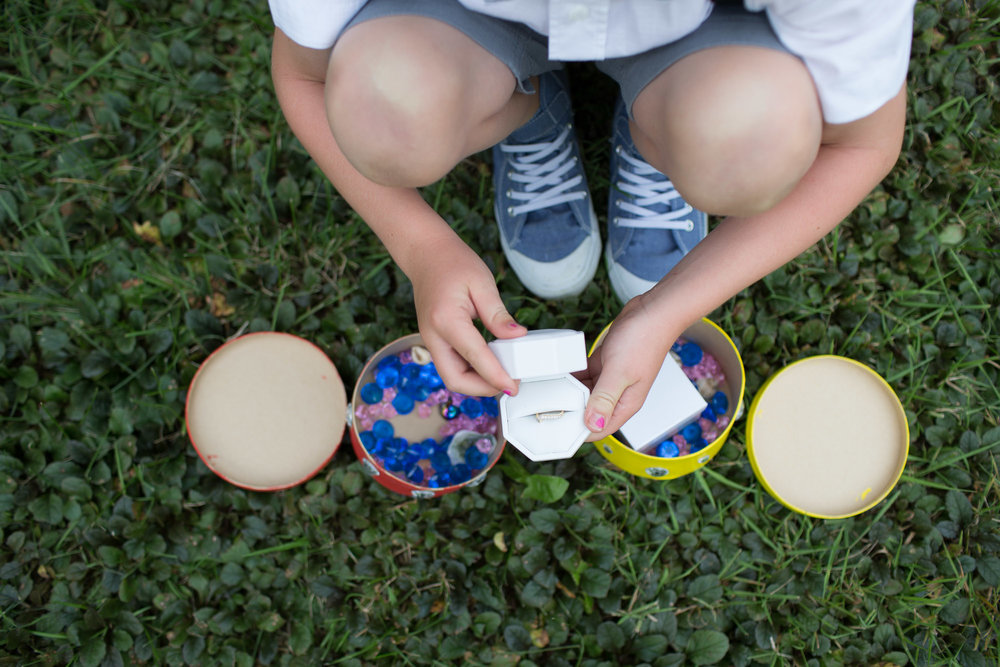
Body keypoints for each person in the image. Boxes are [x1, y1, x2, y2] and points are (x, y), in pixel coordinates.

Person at [269, 0, 914, 442]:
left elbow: (863, 142)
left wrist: (666, 311)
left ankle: (671, 134)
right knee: (385, 105)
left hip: (705, 40)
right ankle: (522, 107)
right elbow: (303, 71)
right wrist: (420, 246)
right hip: (456, 23)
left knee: (745, 133)